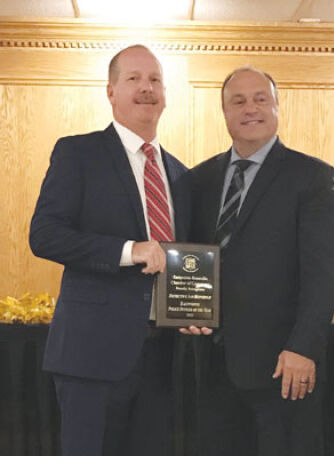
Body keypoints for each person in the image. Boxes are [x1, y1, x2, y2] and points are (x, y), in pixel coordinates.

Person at [30, 45, 191, 456]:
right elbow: (44, 234)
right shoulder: (78, 152)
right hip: (91, 358)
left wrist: (197, 307)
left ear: (166, 93)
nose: (146, 88)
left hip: (163, 360)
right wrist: (128, 250)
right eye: (134, 78)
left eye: (155, 79)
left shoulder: (181, 174)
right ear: (111, 91)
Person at [181, 66, 334, 456]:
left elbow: (324, 272)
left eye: (260, 99)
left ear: (276, 107)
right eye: (238, 101)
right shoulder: (198, 180)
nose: (250, 108)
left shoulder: (312, 177)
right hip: (210, 366)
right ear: (224, 112)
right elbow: (189, 259)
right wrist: (182, 309)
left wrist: (304, 348)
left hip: (282, 365)